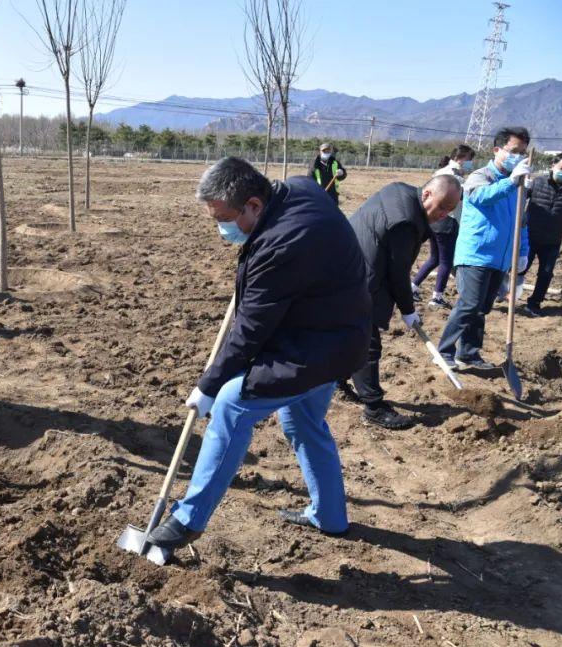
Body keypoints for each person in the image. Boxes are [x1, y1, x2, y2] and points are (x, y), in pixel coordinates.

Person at [146, 158, 371, 551]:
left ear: (253, 204)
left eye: (224, 218)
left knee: (232, 404)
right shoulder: (299, 189)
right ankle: (331, 516)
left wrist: (209, 385)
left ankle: (187, 520)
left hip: (317, 348)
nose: (220, 228)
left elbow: (249, 333)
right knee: (303, 421)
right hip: (339, 334)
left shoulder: (281, 245)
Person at [343, 175, 462, 429]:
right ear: (427, 194)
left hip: (348, 261)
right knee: (367, 343)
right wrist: (408, 310)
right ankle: (373, 407)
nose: (443, 214)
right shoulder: (406, 222)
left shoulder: (402, 191)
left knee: (349, 335)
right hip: (356, 277)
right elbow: (398, 274)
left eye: (450, 210)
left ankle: (338, 379)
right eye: (441, 206)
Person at [437, 127, 532, 371]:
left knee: (481, 309)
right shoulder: (481, 176)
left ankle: (469, 354)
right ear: (497, 149)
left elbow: (520, 219)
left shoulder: (518, 185)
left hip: (500, 258)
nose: (517, 157)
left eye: (522, 153)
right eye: (513, 151)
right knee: (469, 305)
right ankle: (443, 352)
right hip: (476, 254)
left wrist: (522, 251)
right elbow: (482, 198)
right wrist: (511, 182)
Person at [412, 144, 476, 309]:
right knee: (446, 261)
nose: (470, 163)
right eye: (469, 159)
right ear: (460, 158)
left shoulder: (444, 172)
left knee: (434, 258)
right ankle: (437, 296)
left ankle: (413, 287)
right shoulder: (452, 177)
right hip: (447, 220)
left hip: (434, 221)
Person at [522, 151, 562, 317]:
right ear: (553, 165)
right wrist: (522, 187)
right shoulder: (537, 181)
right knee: (521, 267)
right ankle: (507, 291)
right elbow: (519, 201)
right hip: (529, 235)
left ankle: (534, 303)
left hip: (552, 239)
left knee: (546, 272)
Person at [312, 142, 347, 206]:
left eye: (328, 151)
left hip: (333, 195)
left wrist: (342, 173)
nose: (326, 153)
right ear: (320, 152)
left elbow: (342, 176)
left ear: (330, 153)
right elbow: (310, 180)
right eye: (324, 151)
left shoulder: (335, 163)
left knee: (332, 214)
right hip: (319, 195)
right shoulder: (315, 165)